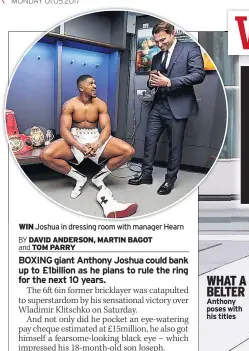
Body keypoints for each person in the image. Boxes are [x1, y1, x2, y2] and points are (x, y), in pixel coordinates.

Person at [39, 74, 138, 219]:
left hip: (95, 137)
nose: (95, 86)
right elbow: (64, 130)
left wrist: (97, 144)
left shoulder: (100, 104)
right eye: (91, 84)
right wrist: (79, 146)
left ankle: (99, 178)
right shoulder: (70, 104)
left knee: (128, 151)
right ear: (81, 87)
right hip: (75, 137)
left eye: (95, 83)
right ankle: (79, 178)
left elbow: (106, 128)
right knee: (45, 155)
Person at [128, 22, 206, 195]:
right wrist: (151, 82)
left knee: (175, 146)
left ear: (172, 34)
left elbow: (199, 74)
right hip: (158, 105)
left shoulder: (190, 48)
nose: (159, 45)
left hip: (178, 106)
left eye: (163, 40)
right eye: (156, 41)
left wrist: (170, 82)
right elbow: (153, 81)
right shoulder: (156, 57)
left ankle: (169, 180)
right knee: (149, 141)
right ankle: (146, 175)